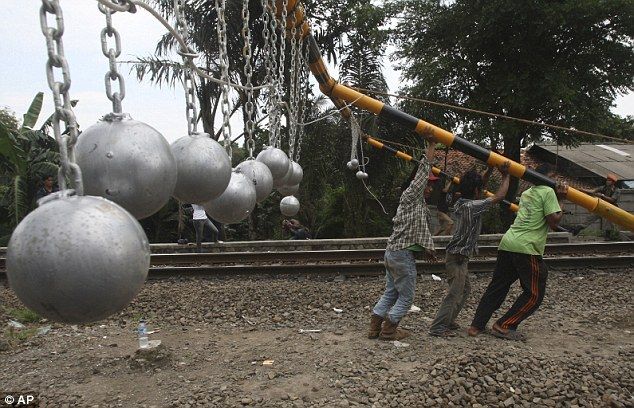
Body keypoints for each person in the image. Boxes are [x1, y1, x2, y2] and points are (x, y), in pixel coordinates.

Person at [467, 163, 568, 341]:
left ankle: (476, 325)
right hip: (526, 246)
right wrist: (562, 199)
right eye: (553, 177)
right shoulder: (548, 192)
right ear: (547, 178)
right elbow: (554, 222)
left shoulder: (528, 193)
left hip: (508, 242)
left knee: (497, 287)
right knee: (535, 293)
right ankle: (504, 326)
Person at [429, 162, 510, 337]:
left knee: (464, 290)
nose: (481, 191)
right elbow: (499, 196)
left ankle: (448, 321)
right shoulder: (471, 207)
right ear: (476, 191)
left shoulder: (463, 203)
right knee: (455, 293)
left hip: (459, 256)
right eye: (479, 189)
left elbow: (479, 186)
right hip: (457, 257)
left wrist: (489, 169)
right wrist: (506, 176)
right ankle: (438, 327)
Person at [368, 141, 436, 341]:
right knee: (406, 298)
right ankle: (389, 330)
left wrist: (427, 250)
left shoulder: (416, 203)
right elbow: (423, 173)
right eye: (429, 185)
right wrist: (431, 146)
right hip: (401, 254)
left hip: (392, 252)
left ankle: (374, 328)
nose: (430, 188)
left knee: (391, 292)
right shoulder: (412, 195)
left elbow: (419, 230)